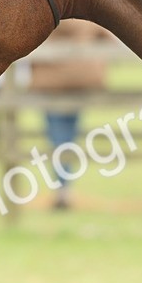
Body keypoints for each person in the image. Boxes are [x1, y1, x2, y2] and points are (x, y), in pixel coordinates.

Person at [30, 19, 110, 209]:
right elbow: (107, 36)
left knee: (58, 135)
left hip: (51, 83)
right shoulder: (87, 18)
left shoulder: (51, 17)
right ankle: (63, 187)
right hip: (81, 81)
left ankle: (61, 188)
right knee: (69, 134)